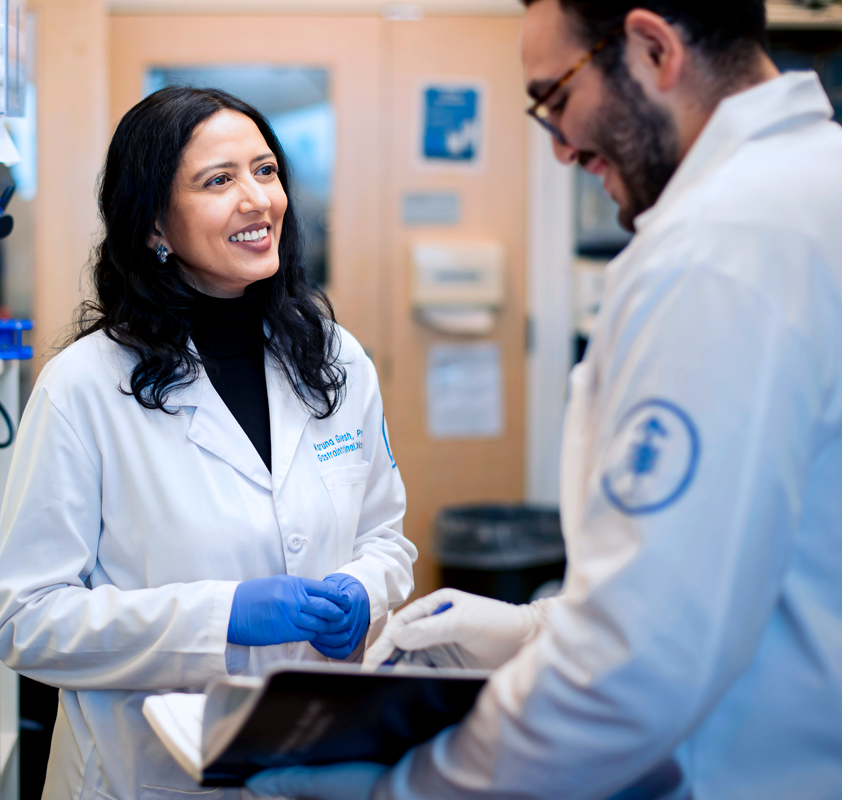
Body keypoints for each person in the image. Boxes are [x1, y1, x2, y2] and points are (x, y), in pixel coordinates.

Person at [248, 1, 842, 798]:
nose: (561, 146)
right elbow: (754, 560)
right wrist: (537, 631)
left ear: (653, 49)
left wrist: (415, 790)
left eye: (557, 98)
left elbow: (640, 662)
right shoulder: (814, 185)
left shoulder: (716, 251)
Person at [0, 86, 417, 800]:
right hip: (147, 777)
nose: (257, 199)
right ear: (155, 223)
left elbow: (387, 540)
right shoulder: (85, 387)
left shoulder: (336, 358)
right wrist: (223, 616)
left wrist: (364, 592)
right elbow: (26, 620)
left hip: (316, 761)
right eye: (219, 181)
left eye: (265, 170)